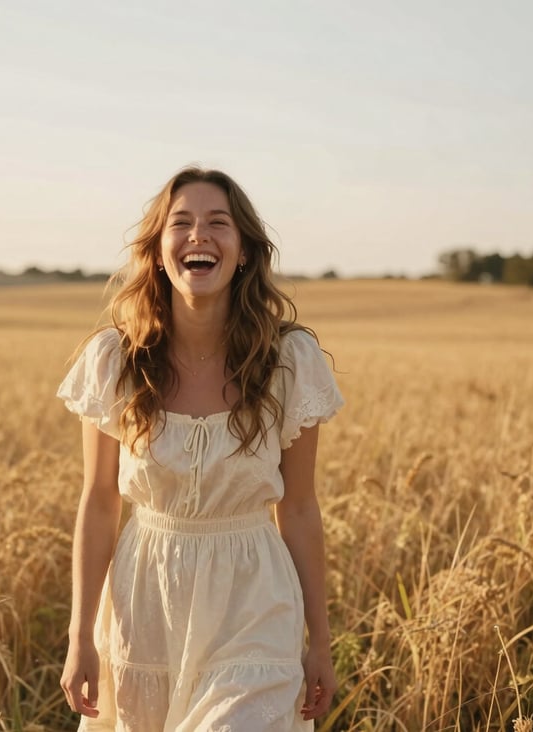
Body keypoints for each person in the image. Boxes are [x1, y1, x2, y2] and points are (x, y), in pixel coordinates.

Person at [58, 167, 344, 730]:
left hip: (254, 600)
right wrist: (80, 637)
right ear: (158, 250)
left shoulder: (289, 361)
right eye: (180, 223)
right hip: (145, 602)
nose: (198, 236)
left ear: (242, 251)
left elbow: (301, 507)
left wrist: (321, 641)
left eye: (219, 223)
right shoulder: (114, 360)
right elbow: (97, 502)